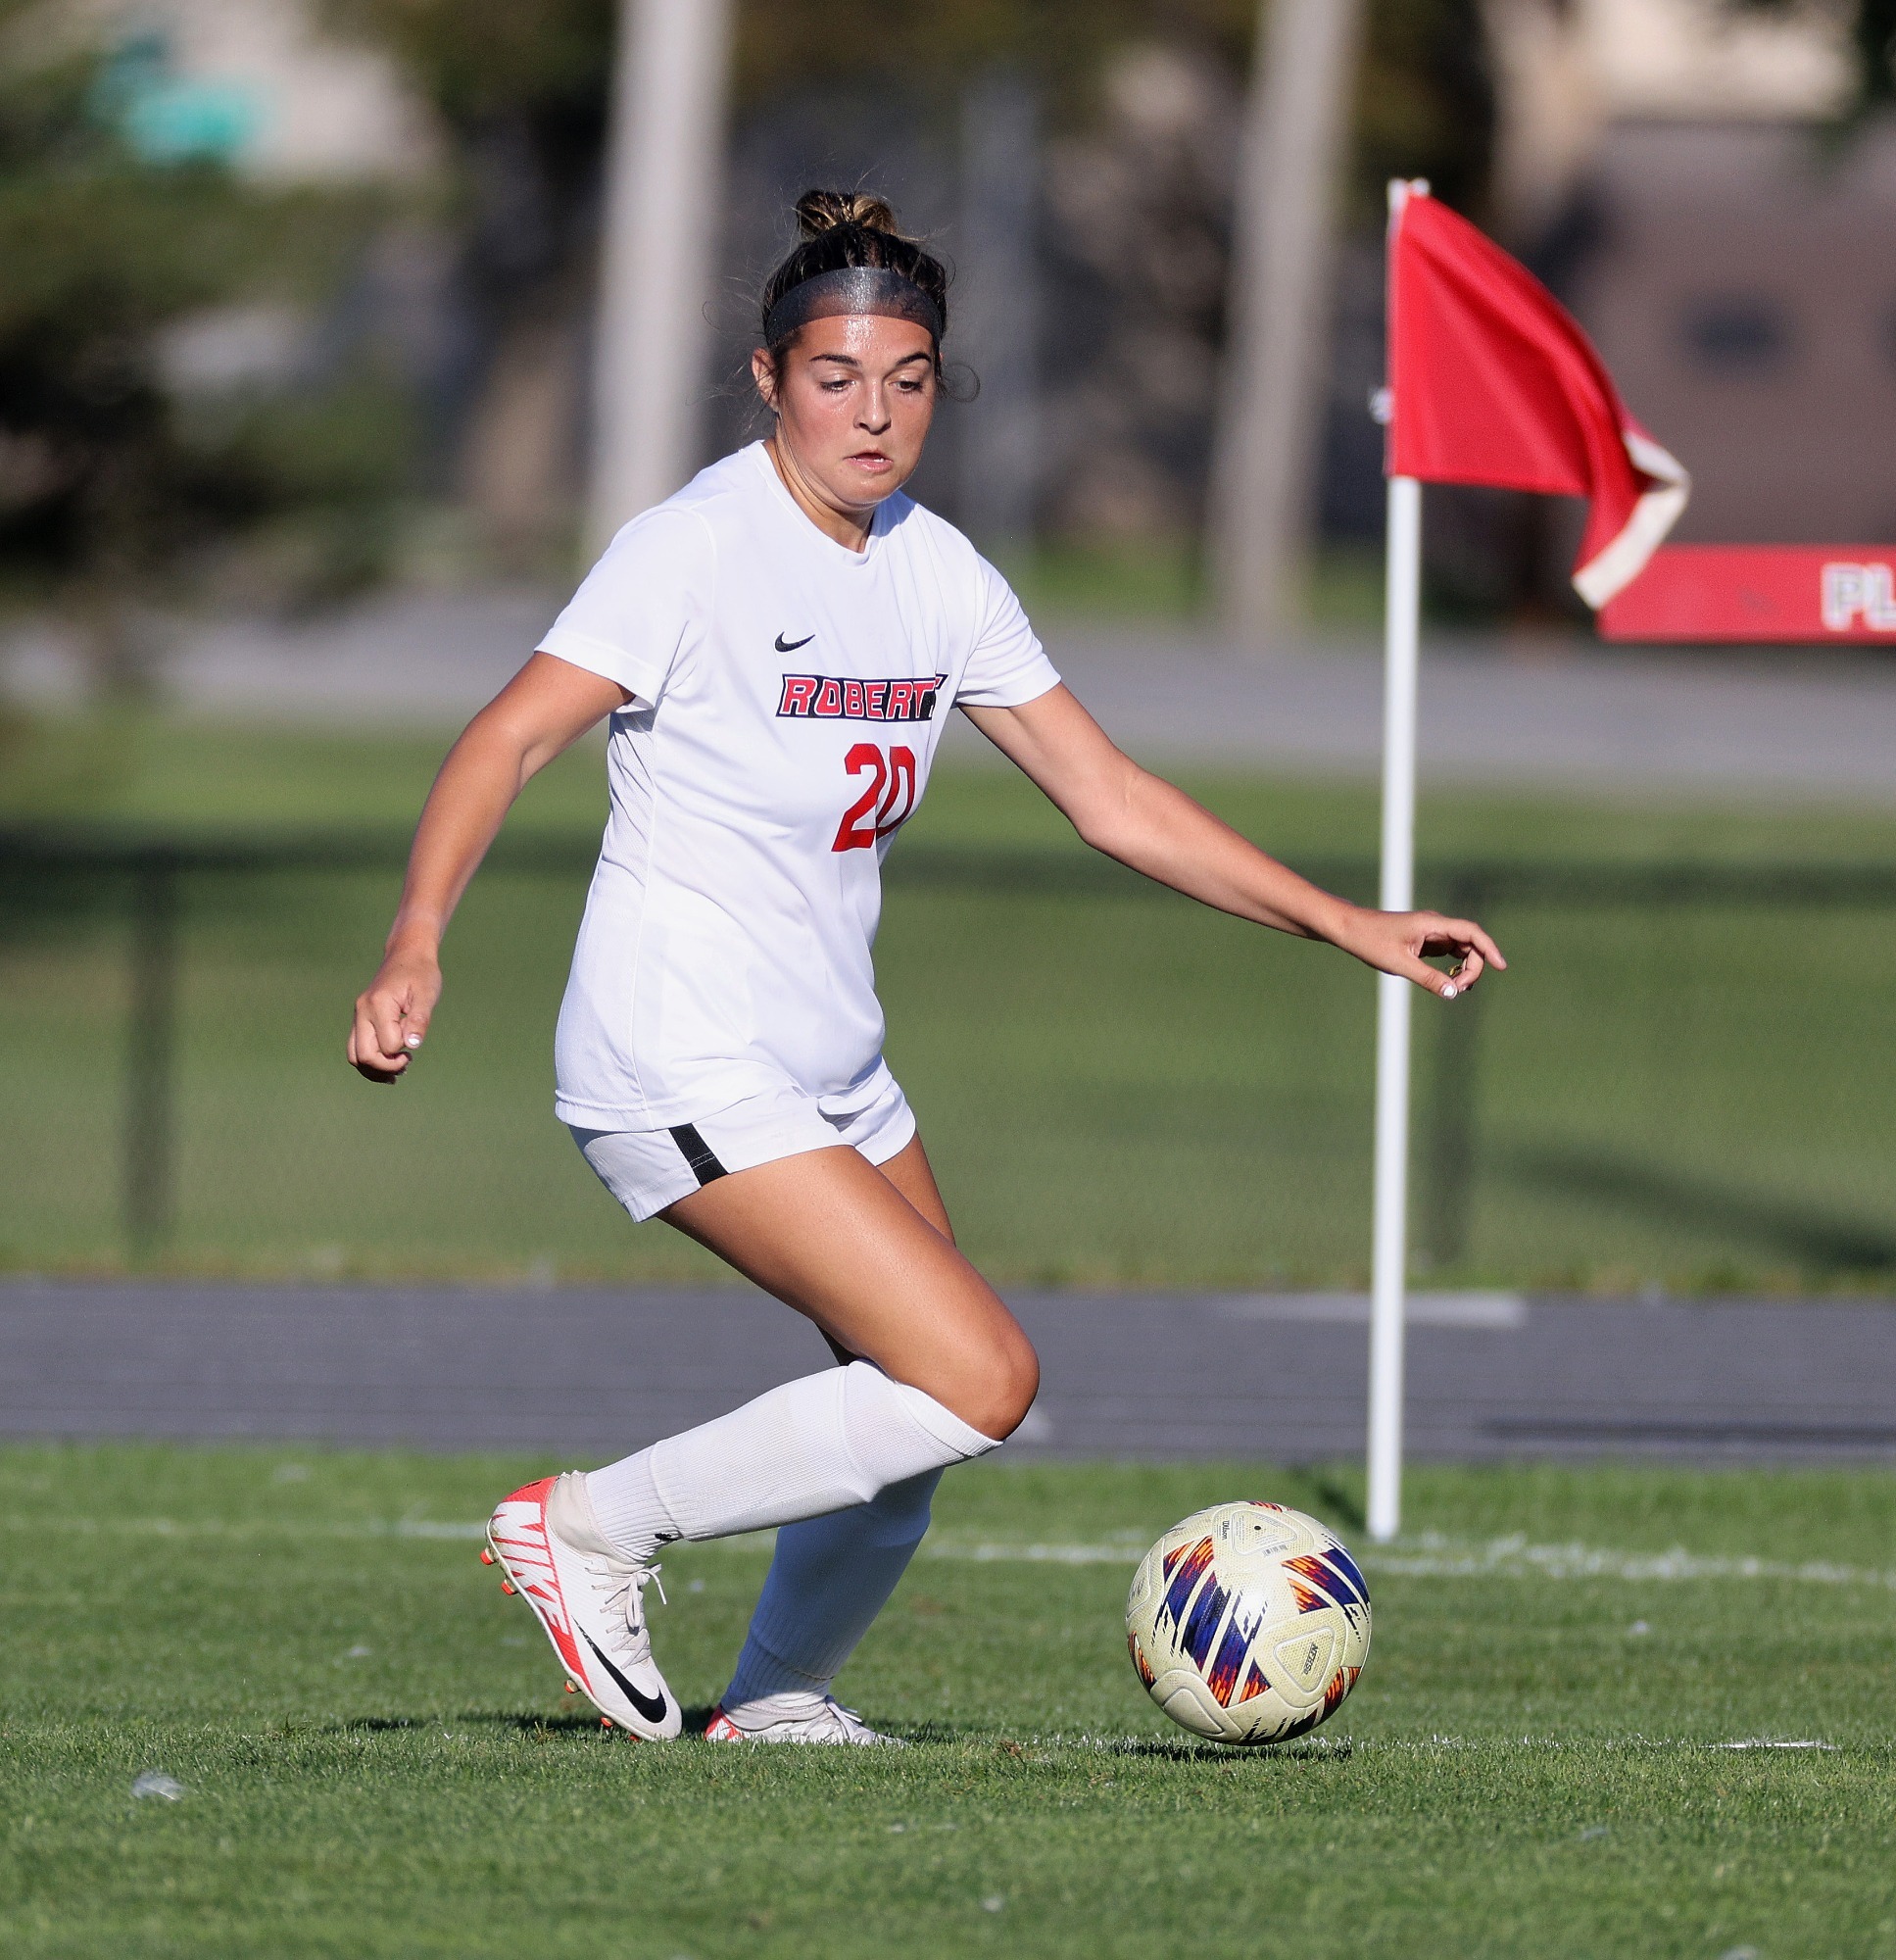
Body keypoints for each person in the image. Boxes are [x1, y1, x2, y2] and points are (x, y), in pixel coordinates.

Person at [348, 189, 1504, 1746]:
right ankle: (590, 1530)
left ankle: (772, 1701)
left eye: (908, 378)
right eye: (836, 377)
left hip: (835, 1066)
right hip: (676, 1050)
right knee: (977, 1375)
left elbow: (1113, 799)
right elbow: (508, 736)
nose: (874, 412)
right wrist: (419, 933)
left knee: (909, 1431)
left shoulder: (939, 570)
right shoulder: (693, 548)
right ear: (770, 380)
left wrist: (1346, 921)